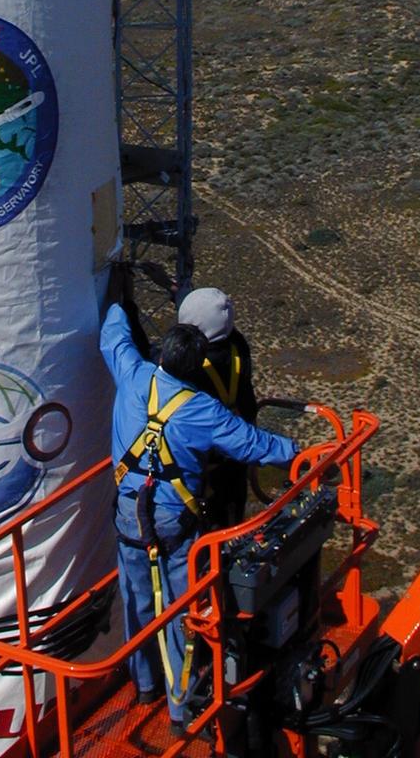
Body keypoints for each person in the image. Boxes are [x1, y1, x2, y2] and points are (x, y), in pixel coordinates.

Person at [100, 289, 297, 732]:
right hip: (175, 523)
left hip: (130, 515)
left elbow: (114, 339)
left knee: (135, 600)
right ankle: (180, 707)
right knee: (181, 611)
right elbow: (255, 444)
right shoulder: (202, 410)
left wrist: (117, 296)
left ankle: (145, 683)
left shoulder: (133, 376)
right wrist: (301, 452)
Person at [177, 287, 257, 526]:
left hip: (203, 464)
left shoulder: (188, 367)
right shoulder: (237, 347)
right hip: (235, 453)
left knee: (206, 528)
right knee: (231, 519)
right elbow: (219, 326)